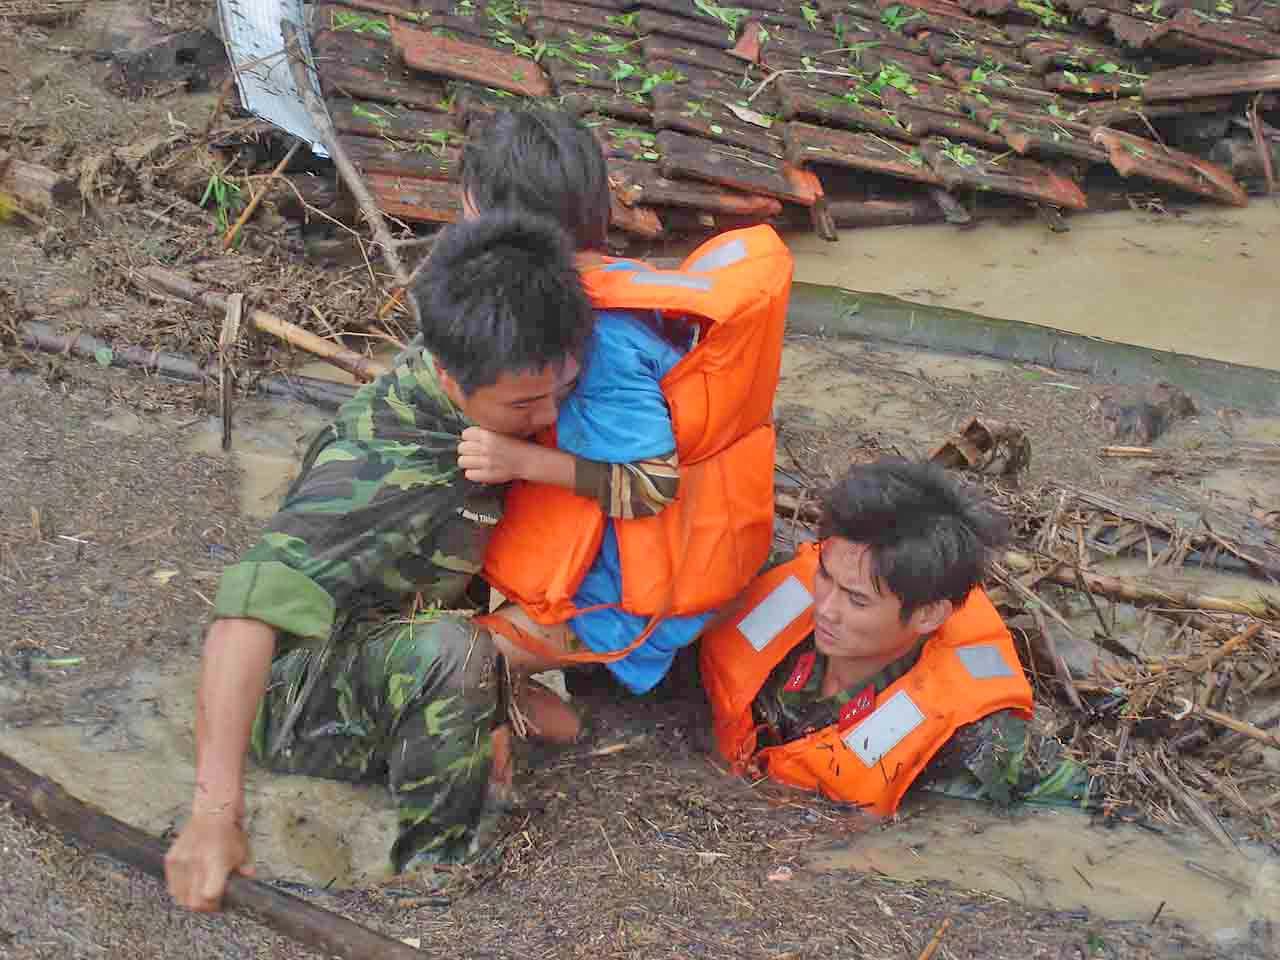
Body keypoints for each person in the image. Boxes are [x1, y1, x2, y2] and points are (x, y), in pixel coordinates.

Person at [164, 210, 597, 912]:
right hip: (303, 702)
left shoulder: (499, 354)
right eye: (524, 403)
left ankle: (469, 705)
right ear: (451, 375)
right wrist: (215, 814)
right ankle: (436, 870)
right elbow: (244, 613)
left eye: (564, 390)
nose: (549, 414)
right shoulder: (378, 463)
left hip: (393, 640)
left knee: (565, 723)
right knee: (457, 656)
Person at [456, 108, 786, 698]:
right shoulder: (617, 277)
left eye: (469, 214)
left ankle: (565, 700)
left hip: (629, 609)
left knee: (451, 665)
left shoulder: (596, 343)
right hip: (704, 556)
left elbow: (653, 486)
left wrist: (519, 461)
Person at [699, 460, 1089, 813]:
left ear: (928, 615)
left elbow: (1092, 813)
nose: (825, 608)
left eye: (857, 600)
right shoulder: (776, 584)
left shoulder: (980, 737)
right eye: (824, 577)